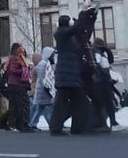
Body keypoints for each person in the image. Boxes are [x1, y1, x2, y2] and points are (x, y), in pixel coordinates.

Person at [49, 7, 97, 135]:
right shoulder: (61, 33)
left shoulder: (67, 36)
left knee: (78, 102)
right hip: (67, 75)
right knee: (65, 102)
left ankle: (74, 127)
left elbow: (84, 31)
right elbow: (78, 28)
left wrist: (91, 17)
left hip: (70, 75)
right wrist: (84, 12)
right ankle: (57, 128)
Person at [4, 42, 33, 132]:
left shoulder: (18, 58)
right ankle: (22, 124)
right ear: (16, 49)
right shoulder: (15, 58)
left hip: (16, 84)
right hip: (17, 84)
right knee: (22, 104)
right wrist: (23, 70)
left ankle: (15, 124)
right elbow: (12, 70)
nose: (23, 50)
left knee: (15, 105)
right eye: (21, 48)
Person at [30, 47, 56, 129]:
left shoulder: (44, 63)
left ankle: (33, 123)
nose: (53, 56)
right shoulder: (43, 64)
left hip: (42, 90)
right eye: (52, 54)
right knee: (47, 108)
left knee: (40, 108)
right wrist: (49, 87)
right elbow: (43, 78)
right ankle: (52, 124)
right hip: (44, 90)